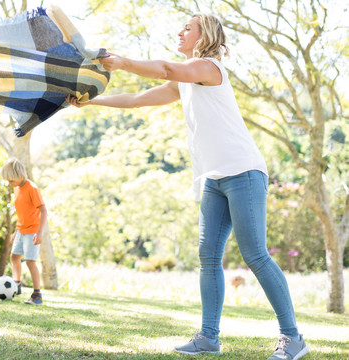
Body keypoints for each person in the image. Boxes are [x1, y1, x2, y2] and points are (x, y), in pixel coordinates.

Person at [66, 13, 308, 360]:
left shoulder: (209, 68)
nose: (179, 32)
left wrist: (121, 62)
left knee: (254, 254)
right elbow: (137, 99)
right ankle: (209, 337)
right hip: (213, 178)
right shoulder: (185, 81)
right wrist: (91, 102)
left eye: (187, 28)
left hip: (243, 172)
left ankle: (293, 338)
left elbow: (166, 68)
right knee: (208, 257)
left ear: (204, 35)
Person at [0, 158, 48, 305]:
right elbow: (21, 213)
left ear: (19, 175)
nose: (9, 183)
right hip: (21, 230)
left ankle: (37, 295)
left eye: (11, 180)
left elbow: (44, 211)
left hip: (32, 231)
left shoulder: (32, 188)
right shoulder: (17, 188)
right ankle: (17, 286)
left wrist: (39, 233)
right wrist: (16, 231)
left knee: (30, 261)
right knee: (14, 257)